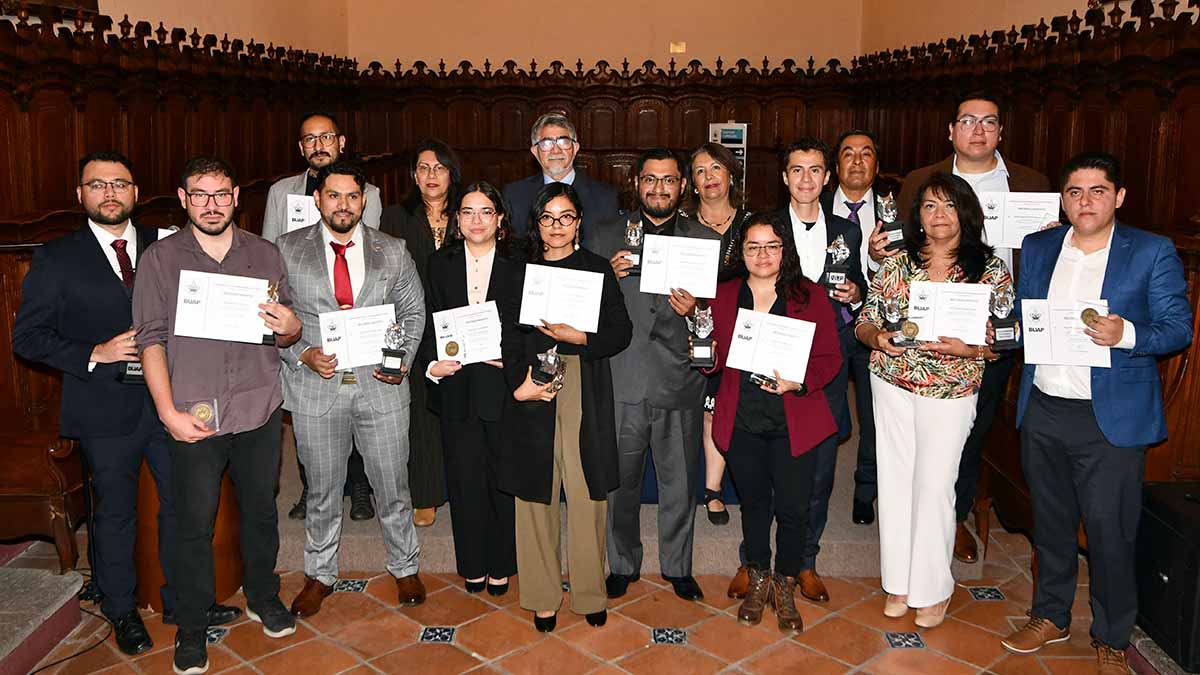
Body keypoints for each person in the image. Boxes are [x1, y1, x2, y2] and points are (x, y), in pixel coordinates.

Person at [11, 151, 240, 656]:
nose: (110, 193)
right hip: (103, 408)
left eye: (120, 184)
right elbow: (27, 338)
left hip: (172, 401)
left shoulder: (170, 244)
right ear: (80, 195)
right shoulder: (57, 257)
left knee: (183, 505)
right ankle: (121, 609)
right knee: (115, 514)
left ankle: (185, 602)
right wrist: (93, 351)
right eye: (98, 184)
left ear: (136, 193)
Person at [1000, 152, 1192, 674]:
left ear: (1119, 197)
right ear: (1062, 200)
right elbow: (1022, 314)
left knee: (1110, 533)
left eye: (1098, 191)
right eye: (1075, 192)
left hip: (1111, 418)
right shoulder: (1039, 246)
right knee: (1051, 523)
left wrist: (1125, 333)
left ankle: (1111, 636)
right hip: (1044, 407)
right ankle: (1050, 615)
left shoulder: (1150, 251)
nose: (1085, 202)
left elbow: (1178, 328)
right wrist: (993, 330)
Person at [134, 156, 303, 675]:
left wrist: (291, 326)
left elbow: (287, 331)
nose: (212, 204)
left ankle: (262, 595)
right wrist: (168, 413)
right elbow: (150, 341)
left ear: (236, 197)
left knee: (261, 511)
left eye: (221, 194)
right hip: (194, 415)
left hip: (258, 406)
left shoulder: (264, 254)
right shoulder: (161, 259)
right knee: (193, 524)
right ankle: (190, 625)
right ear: (183, 199)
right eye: (201, 195)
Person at [898, 93, 1051, 564]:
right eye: (968, 121)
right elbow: (904, 245)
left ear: (1001, 131)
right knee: (923, 423)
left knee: (974, 425)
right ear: (951, 131)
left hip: (995, 325)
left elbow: (1045, 258)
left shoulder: (1031, 184)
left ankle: (955, 515)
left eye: (989, 122)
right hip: (932, 319)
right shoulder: (920, 180)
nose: (978, 130)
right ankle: (915, 512)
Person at [855, 172, 1012, 629]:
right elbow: (865, 319)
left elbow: (1005, 339)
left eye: (948, 205)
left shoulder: (989, 270)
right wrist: (877, 338)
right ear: (917, 216)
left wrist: (972, 350)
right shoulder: (897, 264)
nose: (938, 215)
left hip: (951, 389)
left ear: (966, 213)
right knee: (896, 482)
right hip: (892, 382)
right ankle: (899, 582)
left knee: (935, 484)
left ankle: (933, 588)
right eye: (929, 206)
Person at [276, 161, 428, 618]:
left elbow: (413, 313)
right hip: (315, 388)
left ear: (364, 201)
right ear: (317, 199)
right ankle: (319, 574)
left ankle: (405, 566)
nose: (343, 205)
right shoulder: (286, 249)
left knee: (392, 485)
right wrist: (303, 353)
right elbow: (272, 315)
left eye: (352, 196)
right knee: (322, 491)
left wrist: (398, 362)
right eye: (333, 195)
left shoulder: (392, 250)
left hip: (380, 388)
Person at [728, 138, 865, 605]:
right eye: (797, 170)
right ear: (785, 177)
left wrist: (856, 293)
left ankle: (803, 562)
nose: (807, 179)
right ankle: (753, 562)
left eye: (815, 170)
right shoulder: (764, 226)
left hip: (823, 361)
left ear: (827, 177)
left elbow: (859, 283)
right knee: (757, 476)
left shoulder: (847, 230)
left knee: (816, 472)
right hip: (762, 367)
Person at [498, 183, 632, 632]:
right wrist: (518, 385)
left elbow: (621, 332)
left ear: (579, 222)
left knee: (585, 488)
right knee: (535, 491)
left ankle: (590, 591)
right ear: (536, 224)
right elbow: (508, 333)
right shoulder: (520, 272)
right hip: (533, 380)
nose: (557, 226)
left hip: (582, 382)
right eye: (548, 218)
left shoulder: (596, 268)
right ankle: (542, 595)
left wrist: (582, 338)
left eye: (566, 217)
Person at [702, 213, 843, 632]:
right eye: (753, 247)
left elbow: (831, 358)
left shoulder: (808, 295)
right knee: (755, 505)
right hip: (743, 418)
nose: (762, 255)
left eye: (771, 246)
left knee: (794, 509)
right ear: (741, 252)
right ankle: (758, 577)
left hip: (793, 421)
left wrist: (799, 382)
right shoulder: (723, 295)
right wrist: (704, 354)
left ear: (785, 250)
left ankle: (785, 584)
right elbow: (711, 358)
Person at [591, 148, 717, 603]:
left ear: (682, 186)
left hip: (678, 380)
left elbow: (717, 317)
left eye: (668, 180)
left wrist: (696, 310)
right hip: (622, 378)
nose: (658, 188)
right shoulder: (605, 235)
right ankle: (623, 564)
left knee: (679, 483)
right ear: (636, 183)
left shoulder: (703, 240)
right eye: (650, 179)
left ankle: (678, 566)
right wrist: (605, 277)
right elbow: (583, 306)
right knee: (621, 485)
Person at [262, 111, 379, 522]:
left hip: (352, 313)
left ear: (341, 142)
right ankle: (311, 487)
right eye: (310, 139)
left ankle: (359, 487)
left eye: (325, 137)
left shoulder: (370, 192)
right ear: (301, 148)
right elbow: (269, 253)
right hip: (304, 312)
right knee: (308, 407)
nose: (318, 145)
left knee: (358, 399)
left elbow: (372, 254)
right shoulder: (280, 192)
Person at [423, 181, 519, 595]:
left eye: (485, 211)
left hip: (503, 388)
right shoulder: (439, 264)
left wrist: (514, 359)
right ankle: (472, 564)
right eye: (467, 212)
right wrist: (432, 365)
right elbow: (426, 321)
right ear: (456, 220)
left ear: (500, 219)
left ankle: (501, 564)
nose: (476, 220)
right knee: (464, 481)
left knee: (502, 479)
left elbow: (529, 326)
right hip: (457, 386)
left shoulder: (519, 265)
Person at [381, 139, 462, 527]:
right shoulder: (395, 217)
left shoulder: (467, 212)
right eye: (424, 168)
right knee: (420, 411)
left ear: (451, 174)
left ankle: (462, 488)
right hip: (412, 322)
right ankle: (425, 494)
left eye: (439, 168)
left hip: (460, 321)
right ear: (414, 175)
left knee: (461, 406)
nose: (431, 175)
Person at [684, 142, 753, 527]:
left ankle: (714, 489)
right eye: (700, 171)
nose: (709, 177)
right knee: (699, 411)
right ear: (691, 182)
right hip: (687, 324)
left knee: (721, 411)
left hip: (739, 330)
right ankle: (700, 486)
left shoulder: (752, 224)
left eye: (716, 168)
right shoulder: (680, 225)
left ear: (730, 175)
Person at [820, 130, 884, 526]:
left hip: (879, 328)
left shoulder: (900, 211)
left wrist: (875, 265)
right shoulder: (814, 205)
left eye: (866, 153)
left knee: (874, 417)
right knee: (825, 411)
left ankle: (865, 490)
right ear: (835, 165)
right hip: (831, 327)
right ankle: (817, 487)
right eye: (848, 153)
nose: (857, 161)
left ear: (877, 163)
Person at [502, 113, 620, 241]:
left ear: (575, 148)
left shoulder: (605, 198)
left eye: (563, 142)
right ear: (535, 151)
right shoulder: (514, 196)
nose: (556, 150)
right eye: (547, 143)